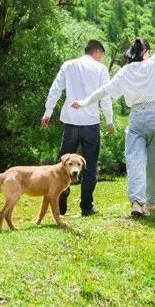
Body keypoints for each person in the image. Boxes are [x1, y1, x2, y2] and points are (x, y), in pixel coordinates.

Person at [72, 4, 155, 217]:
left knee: (134, 159)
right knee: (154, 161)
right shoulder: (153, 63)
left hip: (137, 117)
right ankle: (151, 202)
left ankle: (136, 201)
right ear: (145, 53)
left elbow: (105, 91)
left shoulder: (124, 72)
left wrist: (84, 102)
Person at [42, 40, 115, 216]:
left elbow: (55, 90)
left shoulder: (68, 65)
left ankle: (61, 203)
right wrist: (109, 120)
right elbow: (105, 96)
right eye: (102, 56)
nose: (102, 60)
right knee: (89, 167)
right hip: (91, 124)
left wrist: (48, 113)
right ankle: (87, 207)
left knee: (63, 165)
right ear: (97, 52)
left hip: (70, 123)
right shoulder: (101, 69)